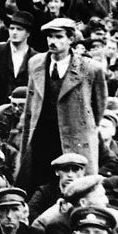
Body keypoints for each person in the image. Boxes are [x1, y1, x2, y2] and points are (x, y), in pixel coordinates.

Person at [16, 18, 107, 190]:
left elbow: (98, 109)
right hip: (41, 139)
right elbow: (30, 106)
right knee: (37, 185)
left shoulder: (90, 68)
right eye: (50, 37)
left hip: (73, 140)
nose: (53, 41)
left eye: (59, 37)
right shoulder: (36, 63)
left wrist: (80, 126)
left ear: (71, 39)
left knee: (74, 187)